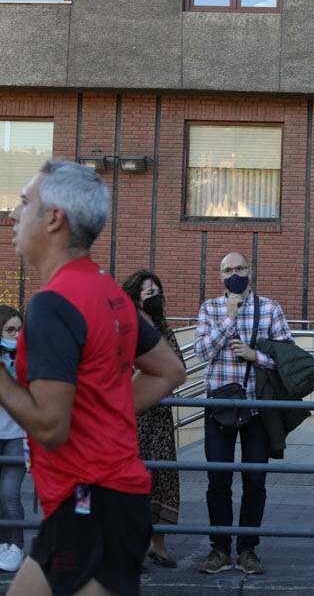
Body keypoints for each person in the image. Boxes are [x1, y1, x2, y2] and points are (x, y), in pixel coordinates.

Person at [3, 161, 186, 596]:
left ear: (53, 219)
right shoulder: (108, 293)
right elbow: (170, 369)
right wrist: (102, 412)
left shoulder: (52, 304)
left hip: (88, 501)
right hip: (101, 499)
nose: (13, 213)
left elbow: (49, 427)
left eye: (25, 202)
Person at [193, 251, 293, 575]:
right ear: (220, 275)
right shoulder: (210, 309)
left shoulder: (270, 308)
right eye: (228, 269)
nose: (234, 274)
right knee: (217, 480)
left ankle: (248, 549)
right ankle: (219, 549)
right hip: (219, 407)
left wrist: (255, 356)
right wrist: (229, 318)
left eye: (240, 268)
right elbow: (201, 352)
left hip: (256, 407)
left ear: (250, 271)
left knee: (255, 481)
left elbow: (287, 357)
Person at [121, 269, 183, 569]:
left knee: (162, 478)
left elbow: (178, 368)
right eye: (149, 293)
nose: (155, 298)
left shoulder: (163, 329)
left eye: (158, 292)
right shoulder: (125, 329)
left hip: (160, 418)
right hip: (132, 416)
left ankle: (158, 546)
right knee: (133, 479)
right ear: (135, 298)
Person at [0, 306, 25, 572]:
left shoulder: (26, 359)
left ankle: (16, 545)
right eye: (10, 330)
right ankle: (2, 544)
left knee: (9, 492)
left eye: (19, 330)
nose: (16, 335)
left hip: (18, 433)